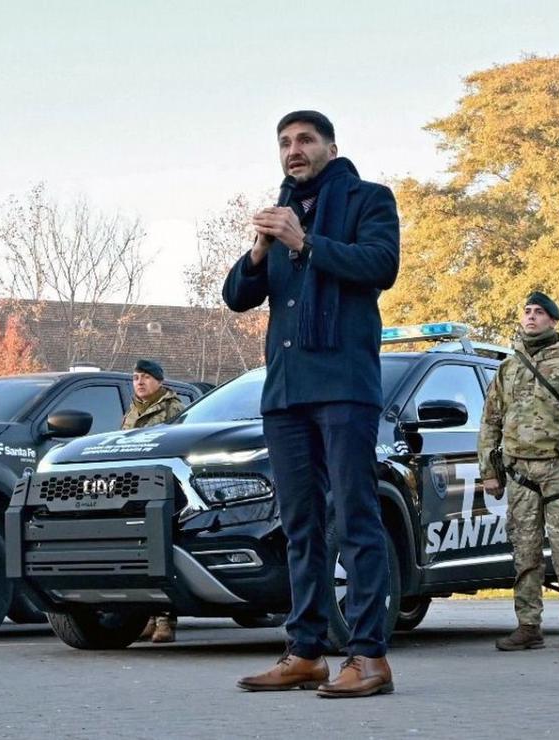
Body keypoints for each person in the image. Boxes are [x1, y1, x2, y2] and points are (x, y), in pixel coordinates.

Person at [224, 110, 401, 696]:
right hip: (286, 391)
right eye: (284, 142)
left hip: (344, 385)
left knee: (355, 518)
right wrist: (260, 250)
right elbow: (237, 297)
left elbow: (381, 266)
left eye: (304, 140)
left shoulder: (368, 199)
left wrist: (305, 242)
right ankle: (304, 652)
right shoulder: (280, 213)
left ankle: (368, 657)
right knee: (299, 525)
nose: (292, 150)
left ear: (331, 146)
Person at [478, 291, 559, 653]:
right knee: (525, 551)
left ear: (553, 320)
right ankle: (528, 625)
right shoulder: (508, 367)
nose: (531, 317)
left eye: (539, 312)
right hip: (519, 471)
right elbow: (490, 420)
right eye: (527, 311)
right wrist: (489, 470)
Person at [121, 358, 186, 644]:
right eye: (136, 377)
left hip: (162, 487)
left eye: (145, 377)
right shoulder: (131, 411)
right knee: (142, 553)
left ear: (159, 381)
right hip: (135, 488)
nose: (139, 382)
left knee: (162, 552)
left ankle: (165, 620)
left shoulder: (173, 408)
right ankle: (148, 616)